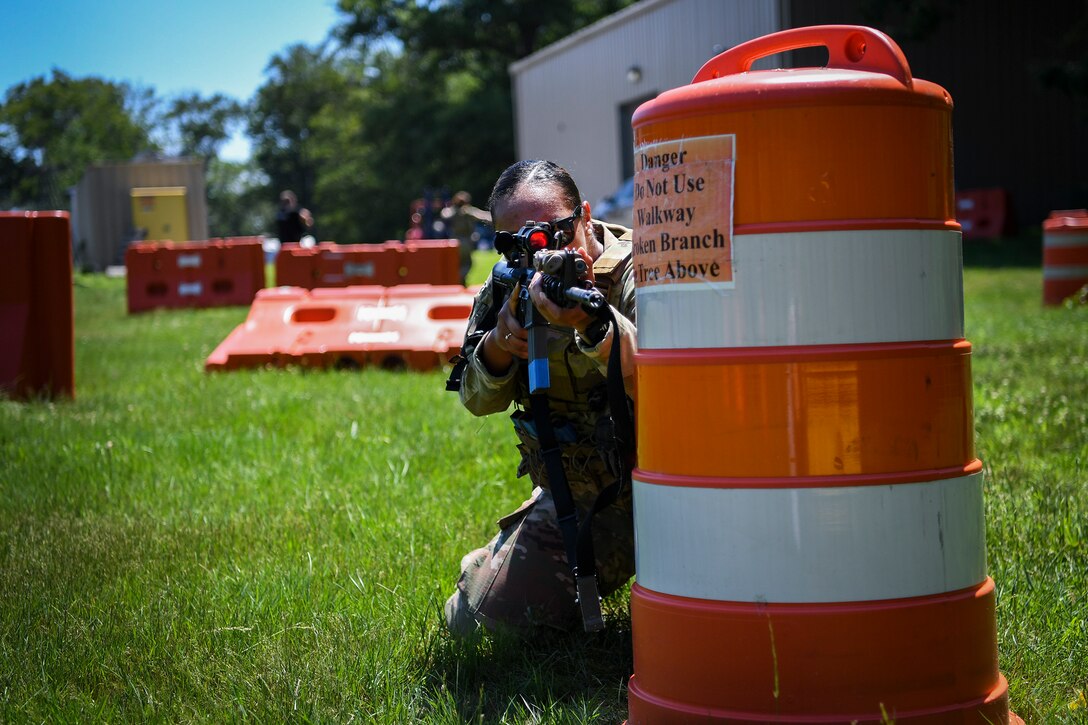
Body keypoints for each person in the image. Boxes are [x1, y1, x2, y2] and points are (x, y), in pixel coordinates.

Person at [444, 160, 637, 636]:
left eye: (555, 231)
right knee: (476, 623)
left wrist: (594, 323)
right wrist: (501, 343)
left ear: (585, 216)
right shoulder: (508, 283)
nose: (539, 251)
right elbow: (476, 398)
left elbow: (678, 381)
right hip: (586, 500)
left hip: (673, 491)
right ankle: (502, 557)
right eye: (515, 243)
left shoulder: (644, 267)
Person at [440, 190, 492, 285]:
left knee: (457, 264)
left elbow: (444, 214)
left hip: (455, 242)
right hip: (466, 242)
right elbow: (485, 217)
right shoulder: (468, 211)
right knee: (467, 263)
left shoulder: (452, 211)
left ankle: (459, 281)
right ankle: (460, 279)